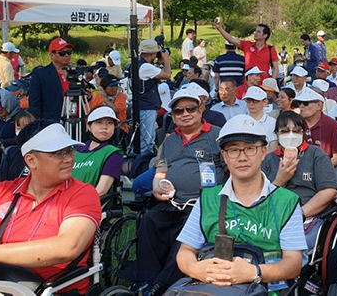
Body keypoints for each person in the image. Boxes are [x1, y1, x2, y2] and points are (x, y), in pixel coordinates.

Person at [0, 121, 101, 294]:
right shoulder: (1, 191)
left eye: (69, 150)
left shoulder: (82, 194)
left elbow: (67, 247)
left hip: (53, 289)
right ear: (31, 160)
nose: (69, 158)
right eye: (59, 153)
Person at [176, 115, 306, 293]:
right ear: (224, 156)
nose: (242, 157)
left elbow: (293, 264)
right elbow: (185, 250)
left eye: (250, 149)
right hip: (214, 287)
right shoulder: (208, 199)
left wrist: (254, 272)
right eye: (233, 150)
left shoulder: (286, 202)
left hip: (267, 289)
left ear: (263, 152)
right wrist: (196, 269)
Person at [131, 88, 226, 294]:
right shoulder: (169, 141)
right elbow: (161, 171)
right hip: (172, 202)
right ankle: (145, 280)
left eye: (190, 108)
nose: (185, 114)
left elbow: (229, 169)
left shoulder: (217, 134)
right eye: (179, 111)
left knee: (187, 232)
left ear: (200, 110)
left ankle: (162, 284)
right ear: (173, 117)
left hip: (205, 204)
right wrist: (157, 187)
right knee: (149, 221)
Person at [262, 111, 337, 248]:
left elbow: (329, 191)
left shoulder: (316, 154)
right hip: (272, 215)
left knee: (295, 246)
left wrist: (298, 215)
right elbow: (258, 196)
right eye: (285, 131)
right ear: (277, 134)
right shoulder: (269, 159)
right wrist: (279, 180)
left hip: (308, 215)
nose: (291, 135)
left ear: (303, 133)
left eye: (296, 130)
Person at [73, 106, 123, 196]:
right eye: (99, 122)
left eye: (110, 123)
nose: (104, 127)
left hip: (89, 204)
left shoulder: (113, 154)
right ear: (89, 126)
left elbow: (101, 190)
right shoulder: (74, 150)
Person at [214, 18, 279, 83]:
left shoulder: (271, 49)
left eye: (258, 32)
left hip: (264, 84)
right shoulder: (247, 45)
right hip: (249, 84)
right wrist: (219, 28)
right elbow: (231, 39)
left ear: (265, 35)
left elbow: (276, 68)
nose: (255, 33)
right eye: (255, 31)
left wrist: (271, 82)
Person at [138, 38, 172, 155]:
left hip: (143, 107)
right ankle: (140, 168)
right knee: (146, 143)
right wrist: (166, 60)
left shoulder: (140, 65)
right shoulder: (145, 67)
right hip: (147, 108)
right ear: (153, 54)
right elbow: (167, 75)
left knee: (145, 140)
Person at [295, 89, 337, 166]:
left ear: (318, 105)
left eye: (305, 103)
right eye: (299, 103)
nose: (301, 106)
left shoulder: (331, 125)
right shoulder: (294, 123)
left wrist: (323, 168)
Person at [28, 38, 74, 122]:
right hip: (52, 122)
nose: (67, 55)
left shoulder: (75, 73)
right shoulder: (41, 74)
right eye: (62, 53)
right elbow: (34, 103)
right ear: (52, 55)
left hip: (75, 120)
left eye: (69, 52)